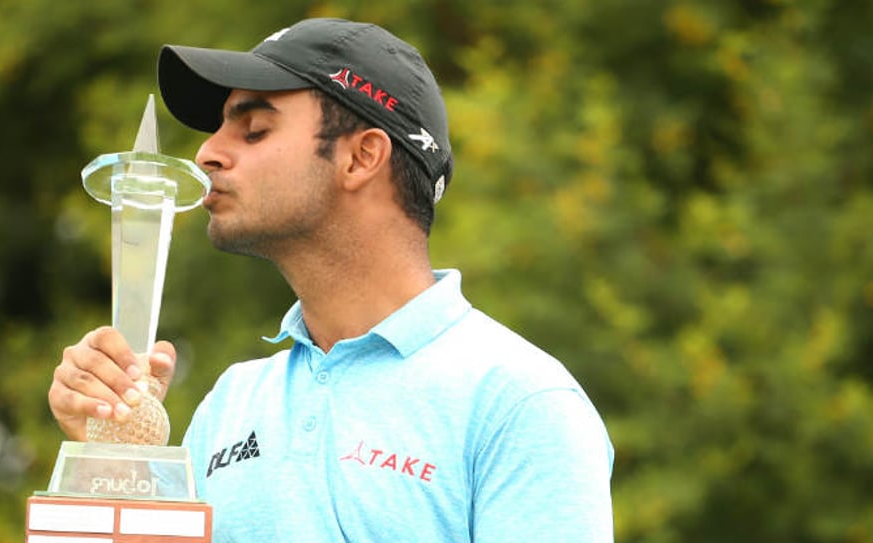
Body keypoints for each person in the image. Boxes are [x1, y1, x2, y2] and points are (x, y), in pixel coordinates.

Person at [49, 18, 614, 542]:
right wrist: (112, 462)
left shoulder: (520, 404)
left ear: (360, 157)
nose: (207, 154)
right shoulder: (231, 403)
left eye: (254, 130)